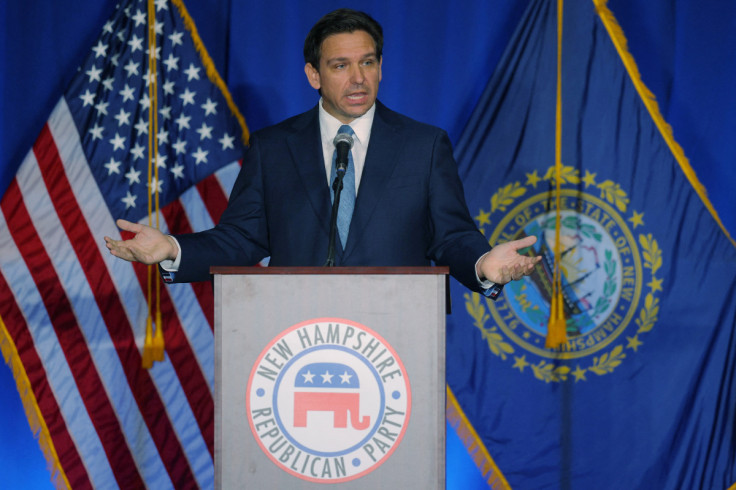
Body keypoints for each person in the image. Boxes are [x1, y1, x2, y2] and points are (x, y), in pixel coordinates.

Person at [104, 8, 541, 295]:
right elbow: (242, 239)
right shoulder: (274, 147)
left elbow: (451, 236)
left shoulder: (424, 145)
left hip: (397, 336)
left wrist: (483, 263)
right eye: (340, 65)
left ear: (381, 67)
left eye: (368, 62)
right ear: (313, 75)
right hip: (297, 337)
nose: (358, 78)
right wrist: (173, 249)